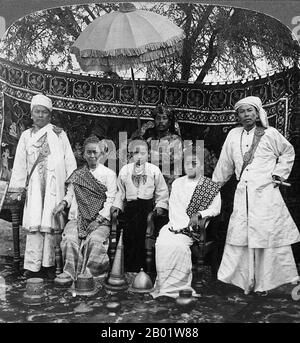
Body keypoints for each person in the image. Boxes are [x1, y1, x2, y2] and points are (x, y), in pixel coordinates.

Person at [212, 96, 300, 295]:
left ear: (257, 113)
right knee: (242, 237)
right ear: (238, 116)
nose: (246, 115)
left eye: (249, 111)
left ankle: (270, 284)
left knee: (267, 238)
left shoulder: (270, 133)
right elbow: (222, 168)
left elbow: (288, 152)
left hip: (266, 195)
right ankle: (246, 282)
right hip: (243, 196)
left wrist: (279, 173)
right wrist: (202, 197)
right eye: (242, 112)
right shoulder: (233, 135)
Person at [8, 93, 77, 279]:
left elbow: (69, 161)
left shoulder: (58, 133)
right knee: (35, 228)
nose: (40, 115)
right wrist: (17, 189)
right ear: (31, 114)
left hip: (55, 187)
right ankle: (32, 266)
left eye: (44, 112)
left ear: (49, 115)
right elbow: (20, 164)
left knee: (51, 226)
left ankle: (50, 265)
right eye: (37, 112)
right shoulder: (25, 136)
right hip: (34, 188)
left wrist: (70, 188)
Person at [151, 147, 221, 299]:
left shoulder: (210, 186)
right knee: (163, 242)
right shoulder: (177, 183)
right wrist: (180, 227)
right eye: (187, 163)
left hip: (196, 228)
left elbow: (215, 209)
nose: (190, 166)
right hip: (175, 225)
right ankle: (165, 287)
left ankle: (179, 288)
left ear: (202, 165)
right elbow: (174, 208)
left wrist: (199, 213)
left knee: (179, 245)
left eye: (194, 163)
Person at [53, 135, 117, 280]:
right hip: (77, 218)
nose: (92, 155)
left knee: (94, 241)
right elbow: (69, 195)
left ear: (101, 153)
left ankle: (91, 275)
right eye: (89, 152)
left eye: (95, 152)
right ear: (83, 154)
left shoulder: (109, 174)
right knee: (69, 238)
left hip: (100, 221)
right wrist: (62, 204)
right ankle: (70, 273)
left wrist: (98, 220)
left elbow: (111, 200)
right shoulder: (77, 174)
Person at [110, 138, 169, 272]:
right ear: (131, 154)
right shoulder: (125, 170)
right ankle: (129, 268)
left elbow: (162, 191)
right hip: (130, 209)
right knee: (129, 236)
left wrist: (160, 205)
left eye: (143, 153)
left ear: (148, 154)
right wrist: (117, 205)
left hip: (147, 209)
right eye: (136, 153)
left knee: (145, 236)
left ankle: (145, 269)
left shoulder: (154, 170)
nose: (139, 156)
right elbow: (120, 192)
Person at [143, 105, 183, 192]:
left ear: (169, 121)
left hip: (168, 181)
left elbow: (172, 159)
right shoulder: (149, 139)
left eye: (164, 118)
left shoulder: (175, 140)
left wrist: (149, 156)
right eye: (158, 118)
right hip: (151, 181)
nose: (161, 121)